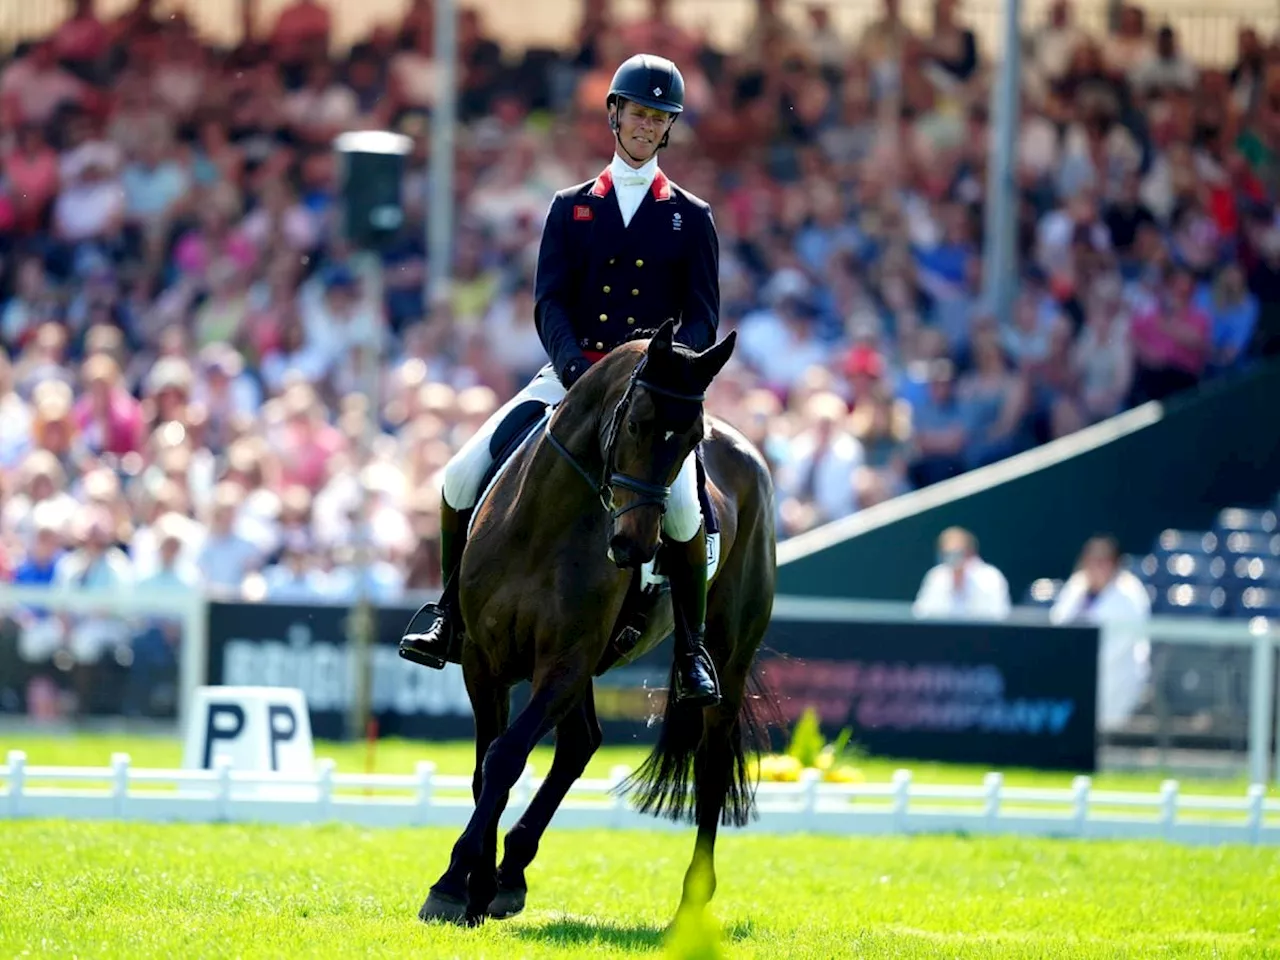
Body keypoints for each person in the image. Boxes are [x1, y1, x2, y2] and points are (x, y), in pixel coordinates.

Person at [401, 54, 722, 705]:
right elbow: (549, 302)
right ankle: (448, 615)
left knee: (686, 511)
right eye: (638, 113)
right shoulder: (570, 207)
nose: (645, 126)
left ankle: (691, 651)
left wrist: (662, 376)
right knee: (462, 472)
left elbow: (702, 319)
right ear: (616, 114)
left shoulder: (693, 216)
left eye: (659, 118)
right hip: (573, 378)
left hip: (651, 395)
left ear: (668, 129)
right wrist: (578, 371)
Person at [1049, 535, 1151, 731]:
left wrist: (1081, 665)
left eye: (1103, 561)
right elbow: (1059, 626)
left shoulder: (1129, 594)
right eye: (1091, 560)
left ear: (1115, 564)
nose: (1096, 566)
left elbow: (1119, 647)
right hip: (1074, 671)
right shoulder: (1077, 584)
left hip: (1117, 675)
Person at [912, 526, 1011, 620]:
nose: (952, 558)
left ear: (970, 553)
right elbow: (920, 614)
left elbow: (1000, 616)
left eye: (957, 553)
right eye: (947, 554)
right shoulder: (936, 576)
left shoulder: (991, 577)